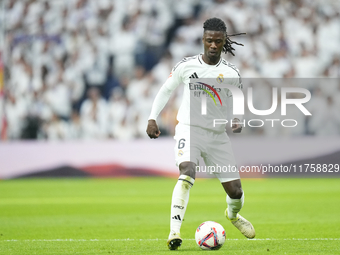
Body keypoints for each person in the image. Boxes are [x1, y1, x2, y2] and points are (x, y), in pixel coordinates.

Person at [146, 17, 255, 250]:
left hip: (217, 136)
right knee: (187, 172)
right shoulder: (186, 66)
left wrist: (238, 118)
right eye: (209, 41)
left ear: (224, 41)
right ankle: (174, 232)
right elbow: (166, 90)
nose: (213, 45)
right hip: (189, 129)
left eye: (217, 41)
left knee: (236, 192)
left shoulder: (231, 73)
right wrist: (152, 117)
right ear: (202, 40)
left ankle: (233, 216)